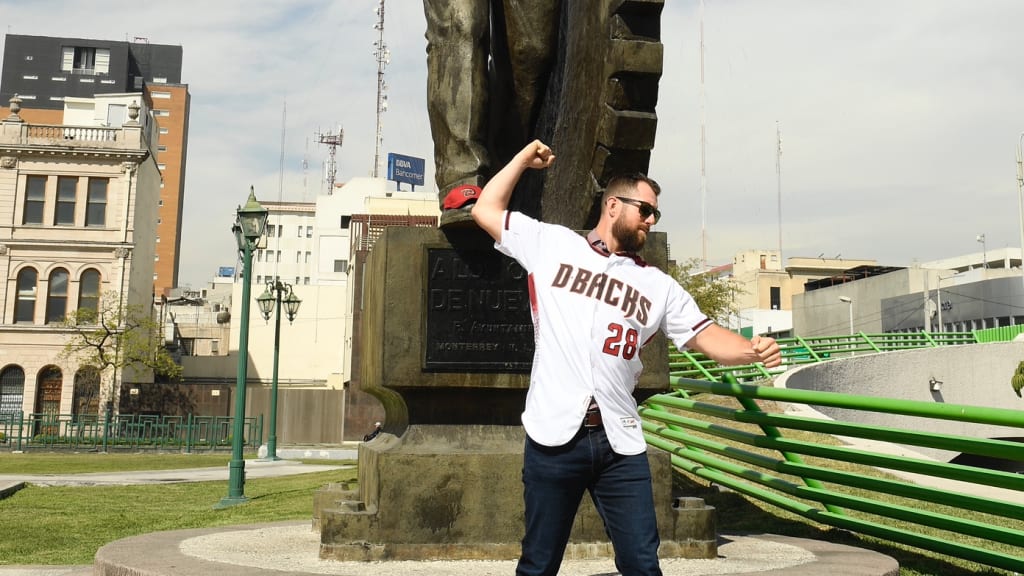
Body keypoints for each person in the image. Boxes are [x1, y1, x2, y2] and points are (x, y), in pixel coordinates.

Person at [471, 140, 782, 576]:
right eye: (646, 210)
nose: (651, 221)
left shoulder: (658, 285)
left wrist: (751, 349)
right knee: (539, 564)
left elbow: (707, 337)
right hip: (554, 435)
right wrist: (522, 159)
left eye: (656, 214)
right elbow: (484, 210)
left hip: (619, 441)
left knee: (641, 564)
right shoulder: (552, 244)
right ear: (613, 205)